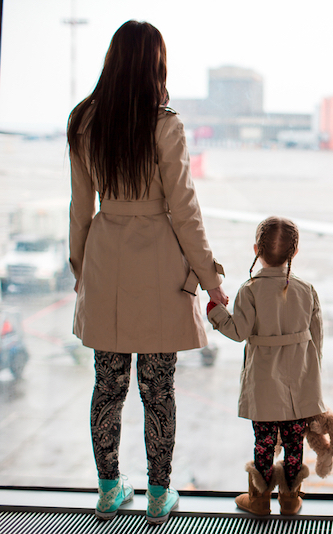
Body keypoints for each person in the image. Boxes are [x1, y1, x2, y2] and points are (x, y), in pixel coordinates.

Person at [67, 20, 228, 525]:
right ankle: (160, 497)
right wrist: (210, 277)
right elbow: (184, 210)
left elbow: (79, 206)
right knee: (158, 389)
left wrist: (80, 268)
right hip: (158, 264)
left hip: (105, 258)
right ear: (155, 64)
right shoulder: (164, 124)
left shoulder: (85, 120)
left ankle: (109, 491)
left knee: (107, 387)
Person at [207, 216, 325, 516]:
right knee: (294, 442)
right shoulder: (307, 289)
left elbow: (238, 333)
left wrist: (217, 314)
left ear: (256, 249)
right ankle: (290, 499)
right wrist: (313, 376)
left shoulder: (249, 290)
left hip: (263, 384)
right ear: (294, 253)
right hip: (299, 382)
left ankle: (259, 499)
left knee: (264, 442)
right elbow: (317, 339)